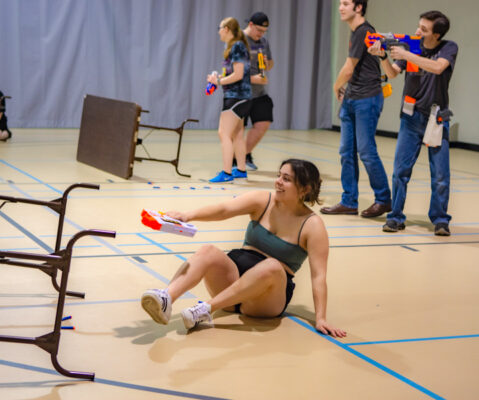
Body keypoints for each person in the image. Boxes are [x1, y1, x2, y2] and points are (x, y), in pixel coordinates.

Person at [141, 159, 346, 337]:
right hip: (232, 281)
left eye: (286, 179)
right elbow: (224, 209)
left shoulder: (312, 224)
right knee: (208, 250)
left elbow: (318, 276)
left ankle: (206, 309)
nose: (278, 181)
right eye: (278, 175)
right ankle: (166, 298)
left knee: (273, 265)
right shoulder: (263, 200)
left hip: (265, 298)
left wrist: (321, 318)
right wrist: (188, 215)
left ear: (304, 189)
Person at [368, 10, 457, 236]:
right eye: (419, 26)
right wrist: (383, 57)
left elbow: (437, 67)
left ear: (436, 35)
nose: (418, 31)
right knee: (400, 172)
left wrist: (407, 55)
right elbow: (393, 73)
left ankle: (440, 220)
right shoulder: (409, 46)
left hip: (436, 119)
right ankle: (395, 217)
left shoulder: (448, 48)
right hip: (411, 118)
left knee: (440, 175)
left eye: (424, 30)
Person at [321, 0, 391, 218]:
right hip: (352, 98)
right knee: (346, 152)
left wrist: (336, 85)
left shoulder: (364, 31)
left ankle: (383, 200)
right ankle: (349, 201)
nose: (341, 7)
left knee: (367, 151)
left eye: (345, 3)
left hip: (367, 99)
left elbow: (349, 68)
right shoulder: (356, 32)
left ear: (358, 7)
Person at [207, 17, 252, 183]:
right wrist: (218, 78)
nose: (218, 31)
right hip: (241, 97)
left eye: (220, 28)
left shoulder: (237, 46)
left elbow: (239, 74)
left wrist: (218, 82)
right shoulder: (233, 46)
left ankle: (226, 173)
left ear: (226, 29)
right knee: (237, 134)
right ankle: (240, 170)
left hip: (236, 97)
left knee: (223, 133)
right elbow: (231, 74)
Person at [232, 11, 274, 172]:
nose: (261, 34)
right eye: (259, 30)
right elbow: (231, 71)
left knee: (263, 121)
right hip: (240, 93)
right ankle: (235, 160)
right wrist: (253, 78)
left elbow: (269, 63)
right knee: (237, 130)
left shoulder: (263, 42)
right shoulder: (238, 41)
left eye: (264, 31)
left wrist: (266, 64)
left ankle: (244, 155)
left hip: (259, 93)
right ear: (250, 25)